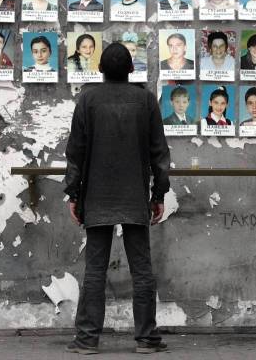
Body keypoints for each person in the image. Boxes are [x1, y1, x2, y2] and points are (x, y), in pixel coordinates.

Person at [64, 43, 170, 355]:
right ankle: (147, 339)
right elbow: (159, 154)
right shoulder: (145, 100)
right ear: (130, 70)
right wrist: (158, 193)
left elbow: (75, 152)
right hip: (135, 196)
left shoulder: (88, 99)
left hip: (96, 197)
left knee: (94, 270)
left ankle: (86, 340)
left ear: (100, 70)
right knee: (142, 269)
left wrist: (73, 193)